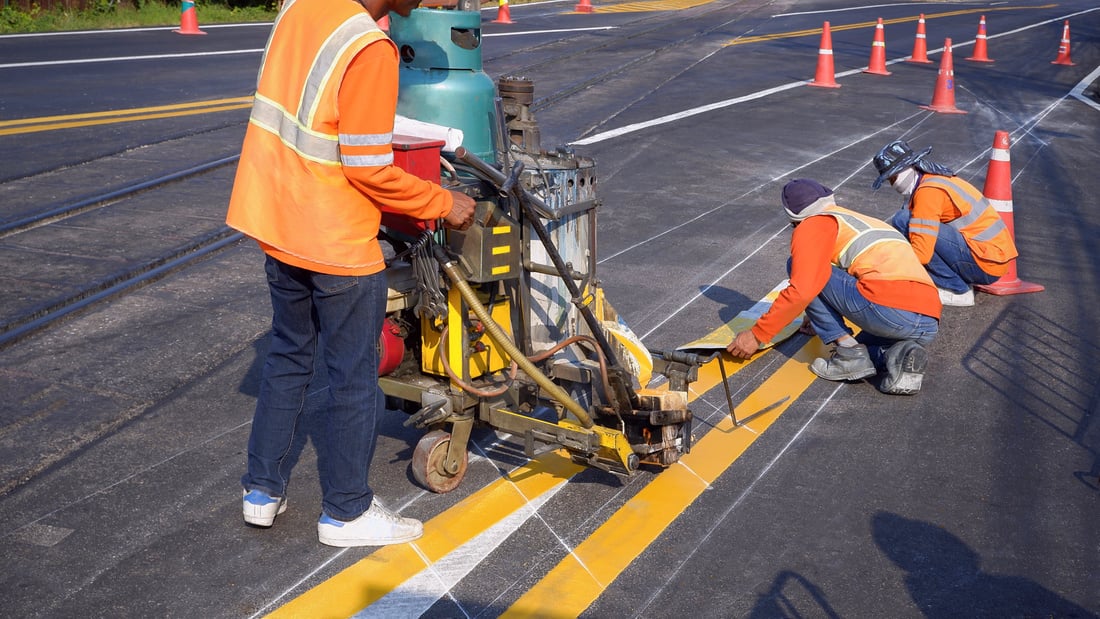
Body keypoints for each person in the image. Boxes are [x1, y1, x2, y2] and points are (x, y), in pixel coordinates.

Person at [226, 0, 476, 547]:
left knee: (289, 357)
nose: (437, 2)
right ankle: (346, 513)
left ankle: (261, 492)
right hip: (335, 238)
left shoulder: (300, 8)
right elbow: (369, 167)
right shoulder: (369, 46)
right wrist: (441, 201)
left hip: (279, 219)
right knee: (352, 377)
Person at [727, 179, 941, 395]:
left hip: (889, 310)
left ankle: (848, 353)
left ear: (794, 216)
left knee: (799, 268)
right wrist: (818, 315)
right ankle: (899, 354)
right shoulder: (858, 220)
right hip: (927, 321)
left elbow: (804, 288)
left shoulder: (814, 223)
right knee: (865, 352)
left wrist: (756, 335)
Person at [872, 140, 1018, 307]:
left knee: (903, 221)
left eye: (892, 178)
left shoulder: (928, 193)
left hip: (986, 264)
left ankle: (957, 290)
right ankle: (956, 279)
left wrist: (892, 267)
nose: (892, 185)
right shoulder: (933, 179)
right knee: (908, 221)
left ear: (905, 170)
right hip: (991, 259)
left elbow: (922, 254)